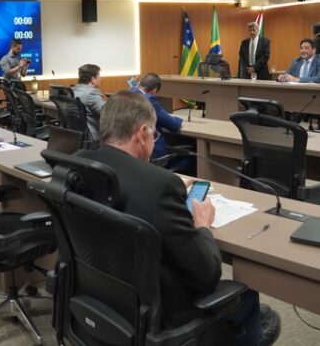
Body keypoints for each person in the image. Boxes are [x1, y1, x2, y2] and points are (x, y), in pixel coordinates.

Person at [77, 91, 281, 346]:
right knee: (248, 297)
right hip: (160, 317)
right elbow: (207, 275)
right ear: (141, 133)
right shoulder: (160, 187)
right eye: (154, 135)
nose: (153, 142)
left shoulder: (80, 164)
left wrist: (163, 185)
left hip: (100, 301)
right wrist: (203, 225)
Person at [130, 73, 193, 170]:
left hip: (133, 148)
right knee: (191, 157)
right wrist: (178, 119)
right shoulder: (149, 100)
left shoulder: (129, 94)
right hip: (152, 151)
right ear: (154, 91)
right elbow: (174, 125)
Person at [72, 64, 106, 142]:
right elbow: (108, 113)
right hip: (93, 139)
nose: (100, 78)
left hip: (76, 138)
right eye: (99, 76)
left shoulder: (73, 90)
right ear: (93, 79)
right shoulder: (92, 94)